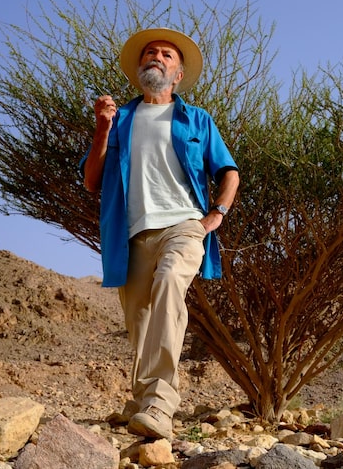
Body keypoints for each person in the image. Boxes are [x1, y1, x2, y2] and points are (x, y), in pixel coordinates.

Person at [81, 28, 239, 440]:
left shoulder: (196, 120)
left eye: (167, 54)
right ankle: (143, 403)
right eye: (150, 52)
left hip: (184, 225)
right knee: (140, 319)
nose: (157, 56)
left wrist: (216, 214)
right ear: (139, 69)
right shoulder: (120, 120)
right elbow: (91, 181)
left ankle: (160, 404)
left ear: (178, 74)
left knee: (170, 283)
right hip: (132, 234)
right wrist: (101, 128)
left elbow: (229, 172)